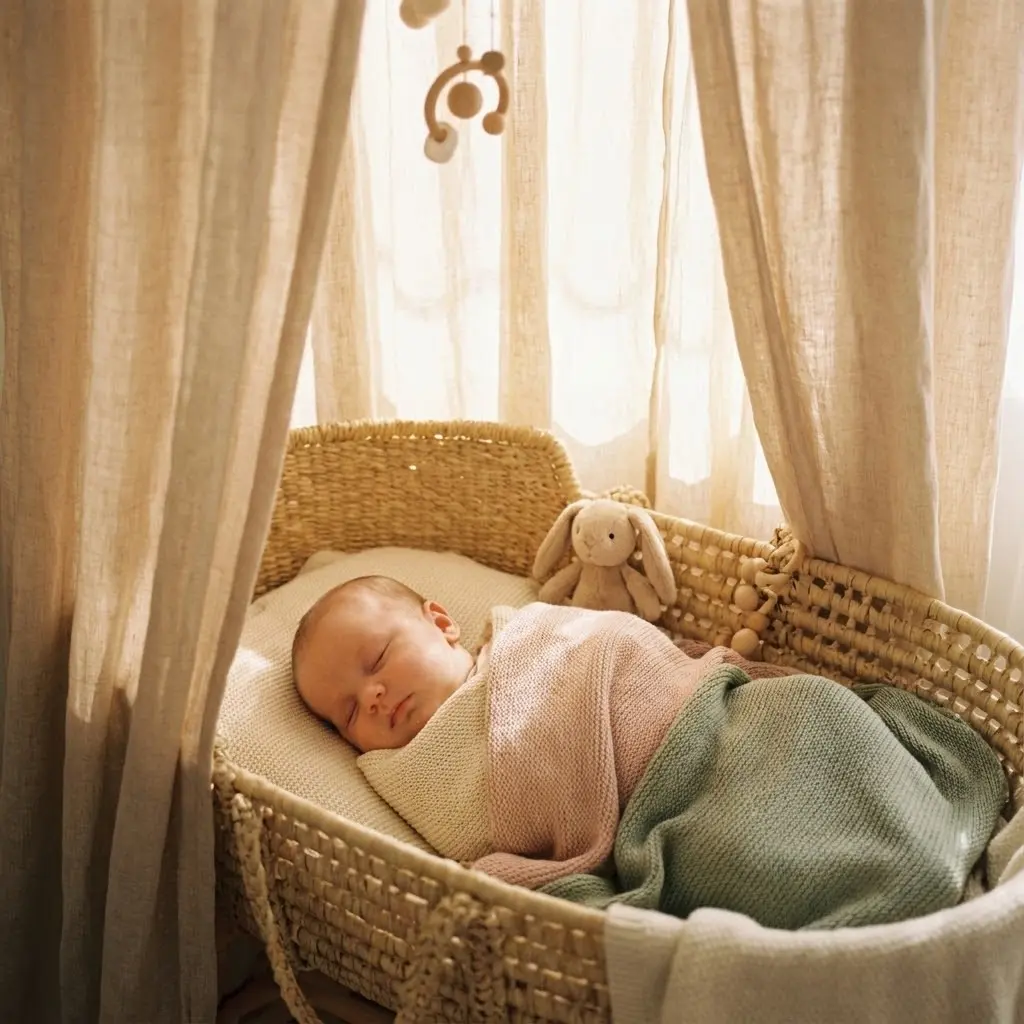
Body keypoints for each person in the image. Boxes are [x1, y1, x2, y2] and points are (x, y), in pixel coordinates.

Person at [291, 575, 476, 752]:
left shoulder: (502, 653)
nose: (369, 697)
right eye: (351, 713)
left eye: (378, 659)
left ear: (442, 624)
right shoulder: (392, 774)